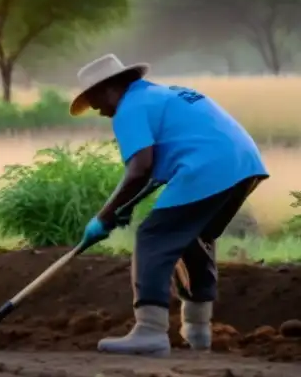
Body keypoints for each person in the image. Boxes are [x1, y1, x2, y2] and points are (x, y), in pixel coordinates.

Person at [71, 54, 268, 357]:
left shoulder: (129, 108)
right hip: (244, 164)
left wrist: (103, 216)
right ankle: (198, 331)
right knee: (192, 238)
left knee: (154, 236)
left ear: (110, 88)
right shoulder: (164, 94)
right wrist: (123, 207)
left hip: (207, 167)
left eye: (96, 101)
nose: (99, 111)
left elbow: (140, 169)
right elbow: (154, 171)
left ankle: (149, 331)